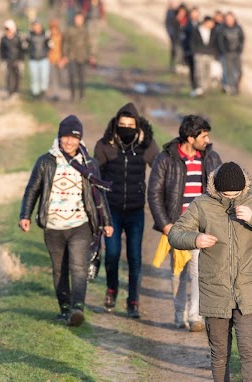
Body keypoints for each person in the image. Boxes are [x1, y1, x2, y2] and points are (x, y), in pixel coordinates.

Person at [169, 162, 252, 382]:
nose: (232, 199)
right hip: (215, 290)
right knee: (220, 353)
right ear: (217, 188)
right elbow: (175, 234)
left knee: (249, 352)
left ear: (243, 188)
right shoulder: (202, 205)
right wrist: (195, 239)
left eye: (236, 194)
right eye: (227, 194)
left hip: (248, 291)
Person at [19, 115, 113, 327]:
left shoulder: (89, 163)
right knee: (59, 269)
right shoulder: (46, 161)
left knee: (78, 267)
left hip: (80, 224)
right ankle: (64, 309)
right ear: (59, 137)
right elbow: (32, 189)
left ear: (80, 139)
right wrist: (25, 215)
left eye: (74, 137)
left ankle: (77, 308)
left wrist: (106, 221)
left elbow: (99, 195)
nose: (69, 142)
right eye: (65, 137)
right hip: (53, 226)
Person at [148, 115, 222, 331]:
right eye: (204, 135)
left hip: (202, 227)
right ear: (190, 137)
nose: (207, 140)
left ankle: (196, 316)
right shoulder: (165, 159)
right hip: (177, 227)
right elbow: (154, 194)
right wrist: (165, 225)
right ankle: (179, 314)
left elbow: (221, 190)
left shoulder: (211, 158)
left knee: (198, 270)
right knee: (177, 271)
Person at [94, 103, 159, 318]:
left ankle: (133, 301)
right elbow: (95, 175)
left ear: (137, 125)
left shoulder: (146, 145)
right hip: (111, 211)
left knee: (135, 257)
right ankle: (112, 289)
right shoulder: (105, 146)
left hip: (135, 211)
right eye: (122, 125)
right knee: (111, 255)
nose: (126, 128)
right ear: (115, 125)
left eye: (130, 125)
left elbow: (160, 169)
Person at [62, 12, 94, 102]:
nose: (78, 21)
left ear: (82, 20)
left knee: (82, 77)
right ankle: (73, 95)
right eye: (77, 19)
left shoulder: (85, 30)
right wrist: (65, 55)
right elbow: (65, 43)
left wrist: (91, 55)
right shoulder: (69, 30)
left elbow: (89, 44)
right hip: (72, 56)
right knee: (72, 75)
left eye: (80, 19)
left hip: (83, 56)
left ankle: (81, 95)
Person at [216, 12, 244, 95]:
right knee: (229, 72)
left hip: (236, 53)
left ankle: (236, 86)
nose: (229, 21)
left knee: (239, 71)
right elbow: (220, 41)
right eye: (228, 19)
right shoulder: (222, 29)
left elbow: (242, 39)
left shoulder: (238, 28)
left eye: (231, 19)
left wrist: (240, 49)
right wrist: (224, 51)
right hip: (227, 53)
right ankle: (231, 87)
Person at [189, 16, 217, 97]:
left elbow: (215, 43)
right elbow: (192, 42)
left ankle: (204, 88)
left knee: (207, 72)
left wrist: (214, 53)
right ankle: (199, 88)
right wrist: (194, 52)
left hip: (209, 54)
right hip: (199, 54)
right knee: (199, 71)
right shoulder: (196, 30)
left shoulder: (214, 32)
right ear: (205, 22)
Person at [0, 19, 26, 97]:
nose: (7, 31)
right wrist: (3, 60)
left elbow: (22, 49)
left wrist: (21, 60)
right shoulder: (3, 39)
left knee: (17, 75)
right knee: (9, 76)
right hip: (8, 60)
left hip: (17, 59)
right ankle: (9, 91)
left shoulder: (18, 38)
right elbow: (1, 50)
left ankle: (16, 91)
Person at [26, 19, 51, 99]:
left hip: (43, 58)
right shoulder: (30, 36)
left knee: (44, 76)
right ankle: (35, 93)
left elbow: (49, 46)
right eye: (35, 26)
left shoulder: (45, 35)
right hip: (33, 59)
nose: (37, 28)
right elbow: (26, 47)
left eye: (38, 26)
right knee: (34, 77)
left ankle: (43, 91)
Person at [47, 18, 65, 101]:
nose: (53, 30)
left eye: (55, 28)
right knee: (52, 77)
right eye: (52, 28)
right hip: (50, 59)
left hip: (59, 59)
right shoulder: (48, 37)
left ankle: (59, 93)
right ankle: (54, 93)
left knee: (59, 77)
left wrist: (63, 59)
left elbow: (63, 48)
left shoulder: (61, 36)